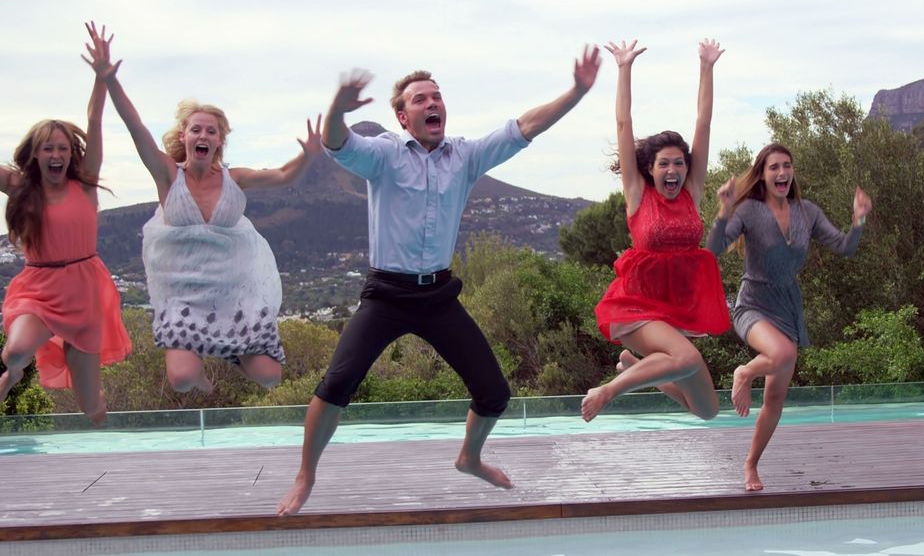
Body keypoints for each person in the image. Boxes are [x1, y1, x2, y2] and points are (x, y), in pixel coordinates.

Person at [276, 47, 602, 516]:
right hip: (387, 293)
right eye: (420, 99)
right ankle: (306, 474)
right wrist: (339, 108)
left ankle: (469, 457)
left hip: (438, 295)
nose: (432, 104)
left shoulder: (464, 156)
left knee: (495, 393)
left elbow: (525, 127)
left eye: (437, 96)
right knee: (337, 383)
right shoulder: (384, 155)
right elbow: (337, 142)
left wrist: (576, 91)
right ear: (403, 116)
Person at [98, 29, 323, 394]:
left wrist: (307, 156)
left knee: (270, 376)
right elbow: (136, 128)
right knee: (184, 380)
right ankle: (201, 369)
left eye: (212, 131)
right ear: (184, 136)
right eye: (196, 129)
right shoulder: (169, 177)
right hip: (184, 297)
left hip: (233, 295)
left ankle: (229, 349)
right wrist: (110, 80)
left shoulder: (236, 178)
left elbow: (282, 175)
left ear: (220, 140)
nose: (203, 135)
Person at [707, 143, 872, 490]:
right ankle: (744, 371)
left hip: (787, 309)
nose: (781, 173)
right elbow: (714, 249)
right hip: (752, 304)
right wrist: (723, 212)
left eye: (787, 166)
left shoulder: (807, 212)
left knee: (775, 399)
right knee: (781, 355)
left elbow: (844, 247)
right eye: (773, 168)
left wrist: (858, 220)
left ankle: (751, 465)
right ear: (763, 175)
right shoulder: (749, 211)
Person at [582, 39, 729, 423]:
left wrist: (706, 67)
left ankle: (632, 367)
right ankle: (609, 390)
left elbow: (703, 122)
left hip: (678, 307)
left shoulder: (692, 193)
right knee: (685, 358)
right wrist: (624, 68)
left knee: (708, 410)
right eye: (664, 164)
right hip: (637, 306)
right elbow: (623, 124)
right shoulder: (637, 195)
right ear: (651, 168)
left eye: (679, 164)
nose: (673, 171)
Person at [0, 22, 131, 423]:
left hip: (84, 291)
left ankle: (96, 406)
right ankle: (14, 373)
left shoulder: (85, 183)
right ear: (35, 154)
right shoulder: (21, 187)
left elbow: (94, 122)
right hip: (38, 288)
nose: (55, 153)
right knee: (16, 351)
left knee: (92, 410)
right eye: (47, 147)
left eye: (61, 147)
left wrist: (101, 79)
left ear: (70, 154)